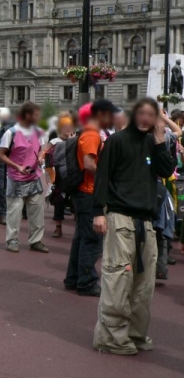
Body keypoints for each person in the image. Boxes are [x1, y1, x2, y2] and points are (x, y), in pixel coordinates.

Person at [92, 98, 177, 355]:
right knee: (118, 278)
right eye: (141, 113)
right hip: (120, 216)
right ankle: (111, 338)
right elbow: (102, 176)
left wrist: (161, 139)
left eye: (152, 115)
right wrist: (99, 212)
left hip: (147, 221)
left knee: (144, 283)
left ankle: (136, 334)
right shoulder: (117, 141)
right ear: (134, 114)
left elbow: (166, 170)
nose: (145, 119)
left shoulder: (154, 143)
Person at [64, 100, 118, 297]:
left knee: (81, 238)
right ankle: (86, 282)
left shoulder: (87, 133)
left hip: (83, 191)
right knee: (92, 240)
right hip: (88, 191)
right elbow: (89, 164)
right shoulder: (91, 135)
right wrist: (107, 181)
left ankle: (73, 278)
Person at [0, 102, 48, 254]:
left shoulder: (39, 132)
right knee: (14, 212)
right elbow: (1, 155)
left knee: (37, 212)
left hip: (34, 177)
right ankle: (12, 240)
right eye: (36, 115)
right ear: (27, 115)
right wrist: (17, 166)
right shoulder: (11, 133)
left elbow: (43, 149)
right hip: (16, 178)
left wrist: (40, 157)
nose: (38, 118)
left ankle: (36, 240)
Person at [42, 112, 74, 238]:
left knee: (75, 201)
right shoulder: (55, 141)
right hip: (59, 177)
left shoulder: (76, 140)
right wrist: (50, 178)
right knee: (59, 203)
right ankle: (58, 227)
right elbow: (47, 158)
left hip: (73, 176)